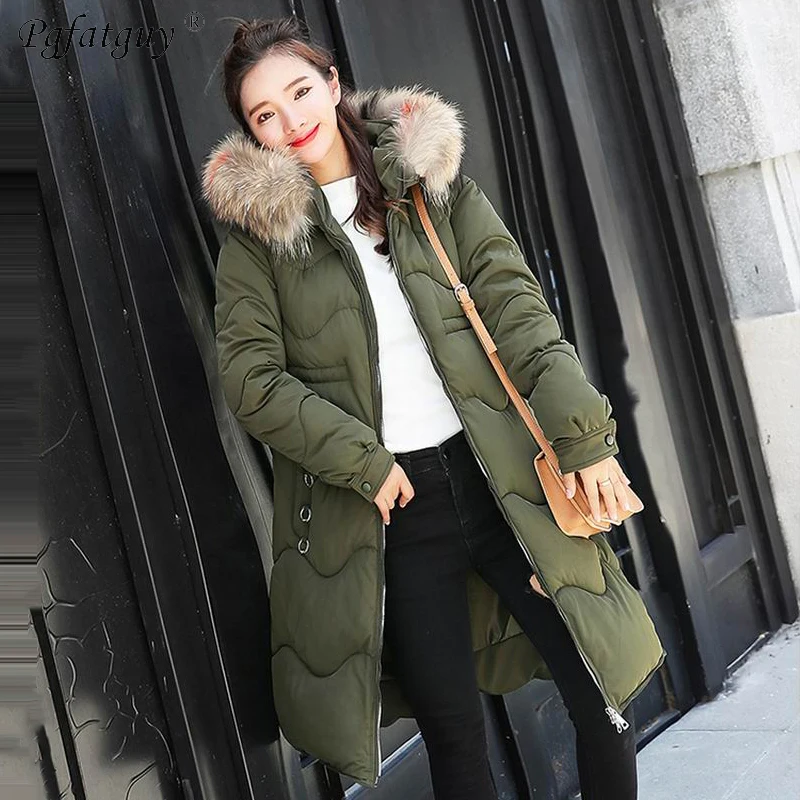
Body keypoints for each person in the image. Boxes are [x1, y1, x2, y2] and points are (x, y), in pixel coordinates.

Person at [202, 15, 666, 800]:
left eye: (300, 91)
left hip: (503, 482)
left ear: (333, 83)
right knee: (454, 737)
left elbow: (520, 314)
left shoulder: (429, 189)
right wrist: (363, 461)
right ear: (252, 134)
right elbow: (252, 381)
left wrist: (585, 439)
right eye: (265, 114)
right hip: (396, 510)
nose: (292, 120)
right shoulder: (259, 245)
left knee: (602, 693)